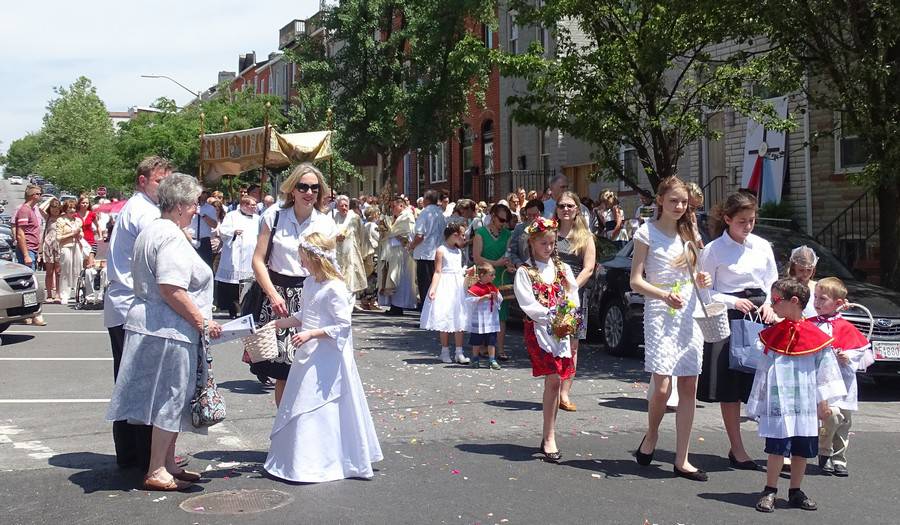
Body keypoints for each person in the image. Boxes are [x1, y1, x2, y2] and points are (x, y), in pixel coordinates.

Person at [106, 173, 224, 491]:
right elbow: (172, 288)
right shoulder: (170, 236)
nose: (197, 209)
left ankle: (167, 463)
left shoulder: (154, 229)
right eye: (194, 203)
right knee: (171, 398)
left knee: (170, 398)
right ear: (181, 205)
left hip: (155, 325)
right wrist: (202, 322)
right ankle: (157, 468)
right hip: (169, 329)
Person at [265, 233, 383, 482]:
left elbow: (342, 325)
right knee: (301, 400)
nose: (301, 263)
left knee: (319, 401)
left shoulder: (335, 288)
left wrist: (311, 334)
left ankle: (328, 459)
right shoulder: (310, 283)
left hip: (327, 354)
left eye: (303, 258)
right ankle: (303, 458)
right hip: (308, 353)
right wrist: (279, 323)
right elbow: (306, 314)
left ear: (315, 258)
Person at [631, 177, 711, 481]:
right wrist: (664, 295)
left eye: (684, 202)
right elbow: (636, 281)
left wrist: (703, 279)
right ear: (660, 200)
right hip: (661, 311)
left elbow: (698, 272)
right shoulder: (646, 232)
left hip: (689, 311)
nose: (679, 206)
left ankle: (682, 458)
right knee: (662, 387)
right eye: (674, 201)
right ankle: (652, 433)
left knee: (689, 384)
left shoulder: (690, 232)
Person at [748, 277, 846, 513]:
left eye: (775, 300)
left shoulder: (816, 337)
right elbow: (763, 370)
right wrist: (759, 401)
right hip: (779, 402)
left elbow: (824, 373)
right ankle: (770, 489)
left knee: (802, 449)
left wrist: (823, 403)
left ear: (793, 301)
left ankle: (795, 490)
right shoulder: (773, 335)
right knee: (777, 448)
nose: (772, 305)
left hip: (805, 404)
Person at [698, 191, 779, 471]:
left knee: (767, 384)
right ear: (727, 219)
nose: (748, 226)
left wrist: (770, 304)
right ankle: (737, 447)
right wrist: (733, 301)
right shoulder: (713, 250)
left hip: (761, 315)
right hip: (731, 316)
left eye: (752, 220)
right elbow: (704, 292)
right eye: (742, 221)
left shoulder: (762, 246)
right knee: (731, 386)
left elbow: (772, 282)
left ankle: (777, 448)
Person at [104, 156, 173, 470]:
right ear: (143, 181)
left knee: (129, 381)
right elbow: (160, 257)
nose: (165, 186)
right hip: (130, 304)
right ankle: (145, 456)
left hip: (125, 303)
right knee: (142, 383)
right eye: (160, 181)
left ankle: (132, 455)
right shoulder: (144, 212)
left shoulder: (141, 208)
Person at [249, 163, 337, 407]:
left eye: (314, 188)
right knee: (284, 373)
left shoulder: (326, 223)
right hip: (278, 296)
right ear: (292, 189)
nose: (309, 192)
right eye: (303, 187)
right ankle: (284, 426)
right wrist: (272, 294)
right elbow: (258, 260)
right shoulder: (274, 216)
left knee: (311, 367)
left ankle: (306, 425)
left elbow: (332, 267)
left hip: (312, 295)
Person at [514, 216, 579, 462]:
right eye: (543, 243)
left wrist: (568, 313)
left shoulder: (563, 269)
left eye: (552, 243)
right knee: (552, 379)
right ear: (532, 243)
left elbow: (573, 294)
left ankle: (548, 434)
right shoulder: (525, 272)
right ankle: (549, 436)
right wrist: (551, 315)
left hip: (561, 331)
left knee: (557, 381)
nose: (548, 247)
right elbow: (527, 304)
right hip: (539, 330)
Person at [810, 277, 870, 478]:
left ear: (837, 303)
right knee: (831, 416)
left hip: (844, 383)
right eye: (815, 297)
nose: (817, 302)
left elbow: (860, 349)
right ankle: (824, 451)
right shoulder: (811, 324)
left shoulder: (845, 326)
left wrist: (848, 357)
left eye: (822, 298)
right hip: (822, 383)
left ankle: (839, 458)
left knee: (844, 423)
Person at [552, 191, 596, 412]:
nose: (566, 209)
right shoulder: (550, 233)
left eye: (570, 206)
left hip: (575, 296)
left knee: (572, 346)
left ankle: (564, 393)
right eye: (562, 206)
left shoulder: (585, 237)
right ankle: (552, 389)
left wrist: (572, 288)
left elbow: (588, 268)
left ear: (577, 209)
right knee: (553, 344)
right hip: (552, 294)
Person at [419, 223, 470, 364]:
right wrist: (433, 288)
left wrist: (466, 273)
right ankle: (445, 351)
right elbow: (438, 271)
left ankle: (459, 352)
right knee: (445, 317)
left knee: (459, 317)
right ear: (455, 235)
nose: (464, 238)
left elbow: (458, 269)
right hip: (446, 284)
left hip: (457, 285)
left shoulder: (458, 251)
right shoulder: (441, 250)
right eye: (462, 235)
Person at [473, 203, 514, 360]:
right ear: (493, 217)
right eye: (501, 220)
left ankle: (500, 349)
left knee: (501, 315)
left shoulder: (507, 235)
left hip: (502, 278)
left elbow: (508, 255)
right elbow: (477, 258)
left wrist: (509, 265)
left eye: (506, 220)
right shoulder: (480, 233)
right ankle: (483, 346)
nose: (504, 223)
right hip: (485, 279)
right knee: (485, 313)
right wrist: (496, 263)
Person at [214, 196, 259, 318]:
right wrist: (233, 232)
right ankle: (232, 310)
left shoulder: (257, 218)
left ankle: (247, 309)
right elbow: (223, 231)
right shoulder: (232, 216)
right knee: (232, 286)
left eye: (255, 205)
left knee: (248, 284)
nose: (255, 207)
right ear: (244, 205)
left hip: (250, 255)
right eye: (252, 205)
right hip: (235, 255)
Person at [377, 196, 418, 316]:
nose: (392, 209)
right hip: (393, 252)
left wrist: (389, 231)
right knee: (392, 277)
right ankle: (394, 305)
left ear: (401, 206)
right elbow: (391, 232)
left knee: (399, 278)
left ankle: (398, 306)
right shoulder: (396, 217)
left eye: (393, 206)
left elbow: (406, 233)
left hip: (401, 253)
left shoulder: (407, 216)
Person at [13, 184, 47, 325]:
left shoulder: (33, 210)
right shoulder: (24, 210)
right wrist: (26, 254)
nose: (40, 196)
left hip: (32, 250)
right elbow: (20, 234)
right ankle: (35, 314)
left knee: (27, 286)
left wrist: (37, 252)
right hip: (26, 250)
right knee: (30, 285)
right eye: (39, 193)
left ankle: (26, 314)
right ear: (33, 196)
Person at [409, 190, 447, 310]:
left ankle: (426, 312)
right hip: (437, 252)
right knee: (435, 284)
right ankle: (434, 311)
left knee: (425, 285)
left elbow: (420, 235)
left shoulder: (425, 213)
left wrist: (411, 245)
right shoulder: (440, 213)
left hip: (425, 253)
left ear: (427, 200)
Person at [467, 263, 503, 370]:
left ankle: (492, 360)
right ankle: (475, 359)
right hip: (479, 319)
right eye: (491, 275)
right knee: (476, 341)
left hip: (490, 319)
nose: (494, 277)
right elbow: (468, 301)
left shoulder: (493, 287)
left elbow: (500, 300)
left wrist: (496, 298)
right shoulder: (475, 288)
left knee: (491, 341)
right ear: (482, 275)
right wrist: (481, 298)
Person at [334, 195, 368, 297]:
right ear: (337, 207)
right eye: (341, 206)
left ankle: (350, 299)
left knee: (351, 279)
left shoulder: (354, 218)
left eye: (346, 205)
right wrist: (335, 238)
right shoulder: (333, 217)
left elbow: (362, 235)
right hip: (337, 253)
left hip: (351, 252)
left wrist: (363, 252)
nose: (344, 208)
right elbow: (328, 235)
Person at [55, 199, 84, 305]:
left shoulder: (78, 220)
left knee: (78, 269)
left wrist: (79, 234)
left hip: (77, 246)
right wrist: (72, 234)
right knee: (66, 271)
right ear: (65, 209)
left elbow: (81, 234)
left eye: (74, 208)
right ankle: (64, 295)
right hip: (65, 247)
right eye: (70, 208)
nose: (72, 210)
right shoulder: (61, 220)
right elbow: (58, 237)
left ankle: (78, 293)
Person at [507, 199, 544, 268]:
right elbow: (512, 251)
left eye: (535, 215)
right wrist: (519, 264)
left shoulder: (548, 229)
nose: (532, 218)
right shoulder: (519, 228)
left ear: (542, 213)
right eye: (529, 215)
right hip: (524, 268)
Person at [38, 198, 62, 303]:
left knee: (58, 272)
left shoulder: (62, 217)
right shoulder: (48, 217)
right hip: (48, 246)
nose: (55, 211)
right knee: (49, 272)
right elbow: (40, 208)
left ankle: (58, 294)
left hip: (59, 245)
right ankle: (49, 294)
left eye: (57, 209)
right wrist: (51, 198)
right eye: (52, 208)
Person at [360, 206, 382, 311]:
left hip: (367, 254)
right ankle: (372, 300)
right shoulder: (373, 226)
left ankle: (365, 300)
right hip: (374, 254)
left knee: (368, 277)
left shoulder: (364, 225)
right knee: (374, 277)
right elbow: (379, 238)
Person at [788, 246, 819, 318]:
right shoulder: (786, 286)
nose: (805, 274)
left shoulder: (818, 287)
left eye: (809, 270)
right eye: (801, 270)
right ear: (793, 267)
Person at [191, 190, 218, 268]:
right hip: (190, 240)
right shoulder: (188, 206)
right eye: (201, 193)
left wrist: (203, 215)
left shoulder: (210, 208)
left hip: (204, 241)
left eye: (204, 193)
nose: (202, 195)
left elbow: (214, 225)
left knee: (206, 266)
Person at [76, 195, 98, 268]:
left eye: (87, 203)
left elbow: (98, 226)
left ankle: (89, 274)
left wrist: (101, 236)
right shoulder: (75, 215)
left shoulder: (92, 214)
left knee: (90, 263)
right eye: (83, 203)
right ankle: (83, 275)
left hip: (91, 241)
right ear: (79, 204)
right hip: (80, 241)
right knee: (83, 264)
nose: (85, 204)